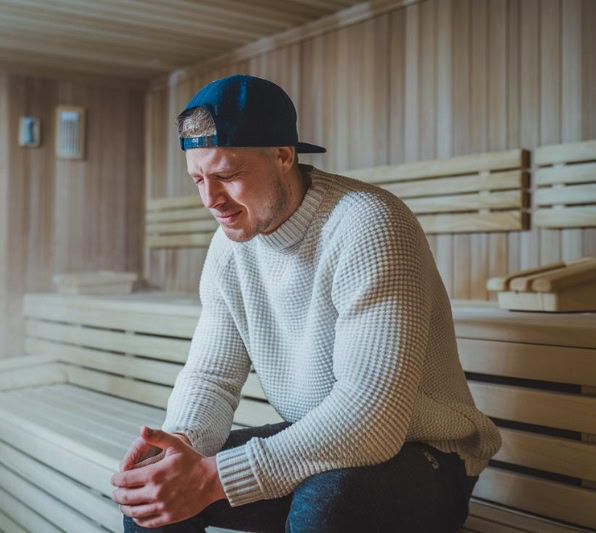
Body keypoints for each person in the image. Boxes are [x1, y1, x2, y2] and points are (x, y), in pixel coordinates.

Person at [110, 74, 501, 533]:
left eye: (227, 176)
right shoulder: (229, 248)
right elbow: (211, 377)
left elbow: (371, 416)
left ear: (283, 156)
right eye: (198, 178)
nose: (210, 199)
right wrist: (183, 444)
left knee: (326, 505)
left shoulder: (368, 225)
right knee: (155, 494)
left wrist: (213, 478)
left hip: (427, 457)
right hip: (326, 445)